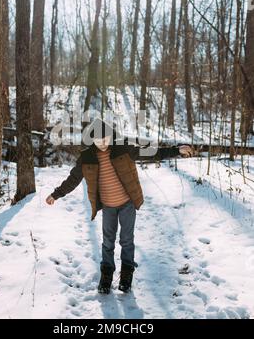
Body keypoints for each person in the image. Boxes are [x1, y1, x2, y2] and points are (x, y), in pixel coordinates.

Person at [46, 118, 194, 294]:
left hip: (127, 204)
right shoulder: (87, 158)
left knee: (126, 240)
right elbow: (73, 179)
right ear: (92, 140)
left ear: (111, 137)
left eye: (106, 139)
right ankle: (106, 277)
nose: (103, 143)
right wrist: (56, 194)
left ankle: (126, 277)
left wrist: (176, 150)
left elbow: (152, 152)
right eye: (98, 140)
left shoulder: (123, 149)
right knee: (108, 242)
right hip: (108, 206)